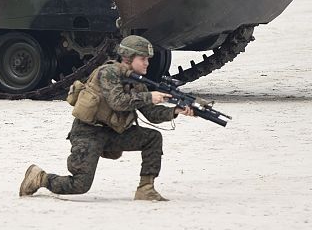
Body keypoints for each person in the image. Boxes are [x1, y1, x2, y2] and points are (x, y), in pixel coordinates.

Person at [18, 35, 193, 201]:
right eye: (143, 59)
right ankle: (40, 178)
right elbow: (117, 102)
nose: (147, 63)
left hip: (112, 133)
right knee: (80, 185)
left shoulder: (136, 82)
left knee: (153, 138)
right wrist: (149, 96)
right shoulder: (109, 72)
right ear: (127, 58)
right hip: (88, 132)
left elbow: (151, 114)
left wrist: (176, 111)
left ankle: (146, 189)